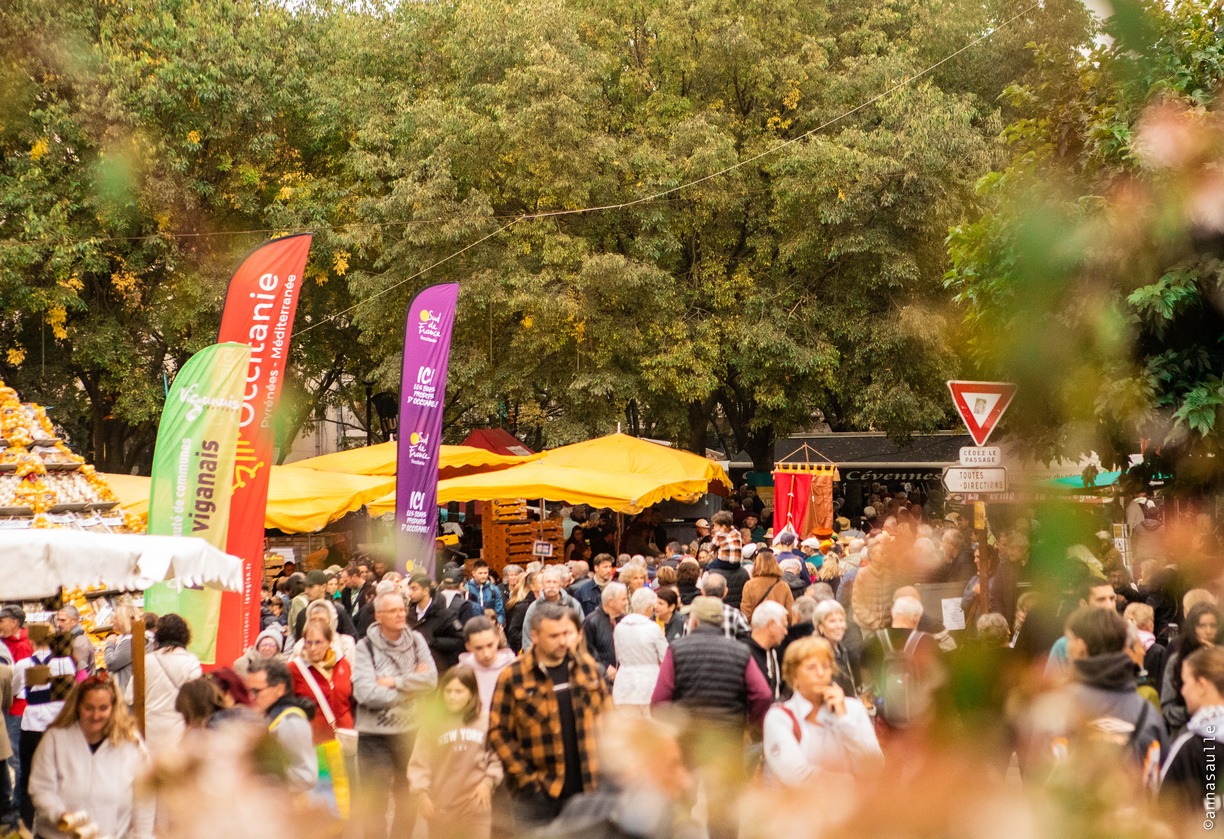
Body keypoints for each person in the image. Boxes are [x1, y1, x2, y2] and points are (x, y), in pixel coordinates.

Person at [651, 597, 772, 839]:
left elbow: (659, 699)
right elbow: (763, 694)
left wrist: (669, 729)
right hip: (727, 738)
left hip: (686, 738)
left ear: (695, 621)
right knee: (724, 808)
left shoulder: (677, 649)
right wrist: (751, 724)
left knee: (683, 802)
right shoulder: (740, 652)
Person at [488, 602, 610, 831]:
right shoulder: (513, 676)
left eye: (565, 633)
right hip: (539, 797)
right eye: (554, 636)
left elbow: (609, 719)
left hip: (587, 790)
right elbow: (498, 732)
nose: (562, 641)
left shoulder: (587, 668)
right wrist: (527, 780)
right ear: (534, 636)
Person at [351, 591, 439, 839]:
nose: (401, 614)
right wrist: (410, 688)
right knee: (375, 802)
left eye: (402, 609)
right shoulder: (365, 647)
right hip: (373, 736)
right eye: (393, 611)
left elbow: (431, 680)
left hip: (410, 733)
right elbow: (366, 693)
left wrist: (393, 682)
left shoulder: (416, 641)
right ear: (379, 616)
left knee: (407, 797)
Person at [534, 715, 699, 839]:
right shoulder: (675, 828)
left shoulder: (578, 809)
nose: (687, 781)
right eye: (671, 766)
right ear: (632, 772)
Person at [28, 677, 152, 839]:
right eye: (89, 708)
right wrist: (59, 814)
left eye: (103, 708)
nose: (96, 715)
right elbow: (41, 787)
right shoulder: (55, 739)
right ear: (77, 706)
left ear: (113, 708)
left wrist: (142, 835)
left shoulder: (131, 744)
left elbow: (145, 799)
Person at [763, 636, 883, 785]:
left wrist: (844, 720)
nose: (820, 673)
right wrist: (848, 785)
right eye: (811, 668)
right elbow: (795, 775)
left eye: (826, 666)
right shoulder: (779, 717)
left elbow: (875, 767)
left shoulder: (853, 708)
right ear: (794, 675)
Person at [408, 666, 504, 839]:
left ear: (471, 694)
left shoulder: (486, 721)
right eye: (448, 691)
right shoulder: (432, 725)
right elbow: (419, 762)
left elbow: (497, 756)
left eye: (459, 692)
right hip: (441, 805)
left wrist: (488, 782)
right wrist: (422, 795)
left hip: (475, 802)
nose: (452, 697)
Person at [289, 617, 354, 818]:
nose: (313, 648)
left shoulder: (343, 665)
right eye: (308, 643)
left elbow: (350, 699)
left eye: (318, 642)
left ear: (329, 642)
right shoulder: (294, 669)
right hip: (316, 745)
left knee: (347, 801)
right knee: (325, 803)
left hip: (344, 743)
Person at [125, 613, 201, 758]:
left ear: (158, 635)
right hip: (180, 733)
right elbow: (197, 699)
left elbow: (129, 697)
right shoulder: (191, 662)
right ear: (185, 636)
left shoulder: (145, 661)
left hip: (149, 733)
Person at [1160, 645, 1224, 814]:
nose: (1183, 691)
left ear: (1202, 685)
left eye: (1185, 683)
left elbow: (1164, 812)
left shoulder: (1190, 748)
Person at [243, 658, 319, 794]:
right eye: (248, 691)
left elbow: (306, 777)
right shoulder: (270, 716)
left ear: (279, 689)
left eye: (256, 691)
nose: (251, 697)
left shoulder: (291, 723)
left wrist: (258, 775)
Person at [1160, 603, 1221, 735]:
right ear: (1193, 628)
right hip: (1185, 732)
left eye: (1213, 625)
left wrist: (1216, 658)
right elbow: (1167, 709)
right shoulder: (1177, 661)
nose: (1208, 631)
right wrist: (1192, 710)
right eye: (1202, 626)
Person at [612, 588, 669, 715]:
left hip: (623, 684)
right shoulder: (653, 628)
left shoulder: (619, 627)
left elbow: (618, 654)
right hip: (649, 684)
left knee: (627, 725)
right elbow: (665, 656)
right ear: (649, 607)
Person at [2, 603, 32, 817]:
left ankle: (19, 802)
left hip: (16, 708)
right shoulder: (7, 643)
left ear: (14, 623)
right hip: (11, 705)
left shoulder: (22, 647)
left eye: (2, 620)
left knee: (15, 757)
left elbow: (18, 681)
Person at [406, 572, 467, 672]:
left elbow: (461, 640)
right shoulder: (408, 615)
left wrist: (433, 642)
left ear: (425, 591)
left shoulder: (445, 615)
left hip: (439, 671)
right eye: (409, 588)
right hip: (414, 671)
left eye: (414, 588)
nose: (410, 593)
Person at [458, 617, 516, 716]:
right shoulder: (461, 672)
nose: (486, 654)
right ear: (468, 646)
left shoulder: (514, 668)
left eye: (490, 645)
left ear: (498, 638)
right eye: (479, 648)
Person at [520, 566, 582, 651]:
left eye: (555, 582)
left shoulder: (572, 604)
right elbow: (527, 635)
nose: (551, 586)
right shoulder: (534, 607)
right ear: (543, 585)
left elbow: (581, 630)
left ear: (560, 585)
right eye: (548, 582)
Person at [811, 600, 859, 697]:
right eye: (832, 621)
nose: (838, 626)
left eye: (841, 620)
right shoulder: (816, 653)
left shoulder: (842, 650)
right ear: (820, 627)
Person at [583, 582, 627, 683]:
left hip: (623, 679)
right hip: (602, 680)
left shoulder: (625, 620)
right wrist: (604, 667)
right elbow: (585, 652)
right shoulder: (591, 622)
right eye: (623, 599)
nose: (626, 603)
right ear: (610, 602)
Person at [748, 601, 790, 702]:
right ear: (771, 625)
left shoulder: (773, 652)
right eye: (784, 626)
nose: (786, 632)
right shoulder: (745, 655)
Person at [740, 549, 795, 625]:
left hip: (758, 628)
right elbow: (790, 614)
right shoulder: (783, 586)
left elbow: (746, 614)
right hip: (778, 627)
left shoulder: (749, 585)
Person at [708, 511, 748, 609]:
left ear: (723, 526)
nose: (714, 528)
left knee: (708, 567)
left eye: (716, 526)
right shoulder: (737, 533)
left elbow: (711, 547)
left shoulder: (720, 535)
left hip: (724, 562)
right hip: (737, 563)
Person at [100, 604, 139, 692]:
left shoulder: (129, 641)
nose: (111, 621)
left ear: (124, 619)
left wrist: (110, 643)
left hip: (126, 692)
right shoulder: (128, 638)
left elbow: (111, 663)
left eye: (115, 618)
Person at [505, 570, 539, 654]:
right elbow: (513, 632)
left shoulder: (548, 604)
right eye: (541, 582)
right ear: (532, 586)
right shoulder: (524, 606)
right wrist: (530, 638)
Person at [53, 607, 93, 676]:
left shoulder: (79, 642)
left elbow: (80, 673)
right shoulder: (71, 640)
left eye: (62, 620)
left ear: (74, 621)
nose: (58, 624)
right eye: (58, 620)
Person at [466, 560, 506, 626]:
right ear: (473, 573)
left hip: (491, 626)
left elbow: (500, 612)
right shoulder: (466, 589)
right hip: (473, 626)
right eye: (480, 573)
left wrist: (498, 625)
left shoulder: (494, 589)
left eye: (485, 573)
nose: (483, 576)